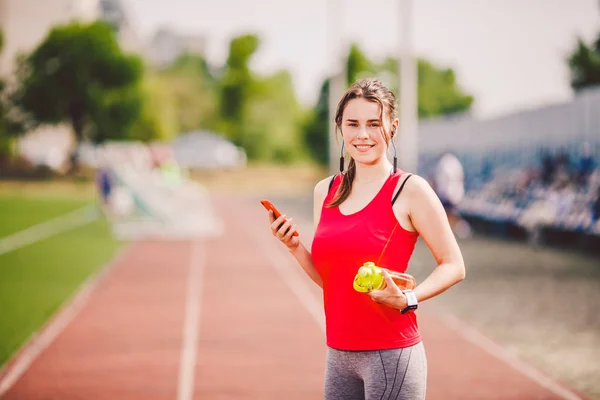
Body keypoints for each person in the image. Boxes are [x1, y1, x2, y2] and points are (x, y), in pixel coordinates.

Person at [266, 78, 466, 399]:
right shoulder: (325, 191)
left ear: (393, 127)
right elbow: (333, 281)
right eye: (353, 124)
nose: (362, 134)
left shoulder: (411, 190)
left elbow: (454, 265)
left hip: (391, 355)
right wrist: (294, 247)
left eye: (374, 124)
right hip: (339, 355)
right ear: (340, 128)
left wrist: (407, 299)